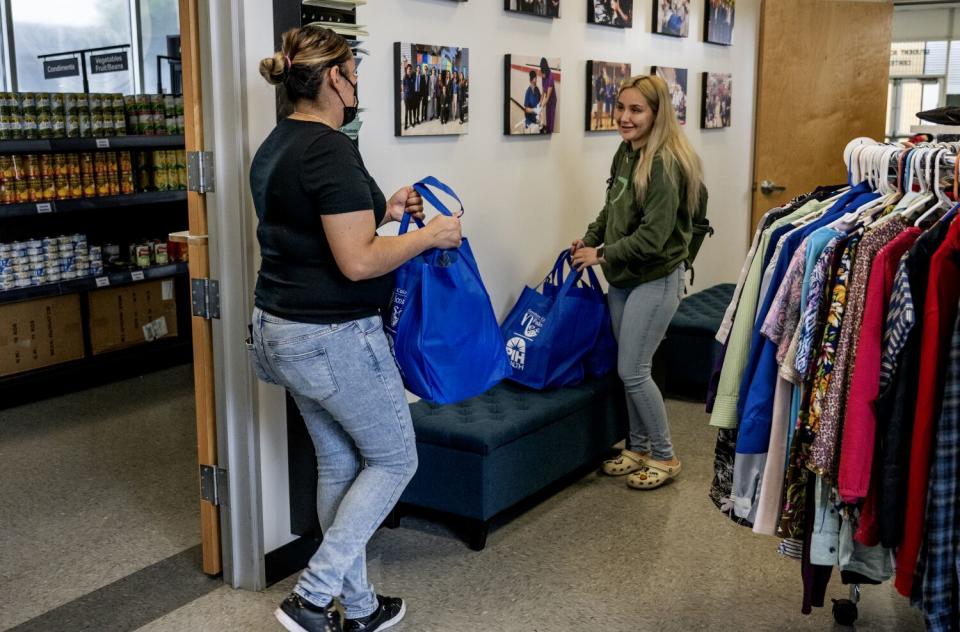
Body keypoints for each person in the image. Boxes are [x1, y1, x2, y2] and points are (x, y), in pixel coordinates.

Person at [252, 25, 463, 632]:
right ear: (334, 79)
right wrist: (429, 235)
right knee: (396, 460)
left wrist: (387, 210)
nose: (359, 84)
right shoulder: (330, 149)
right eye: (354, 72)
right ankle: (313, 597)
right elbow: (359, 260)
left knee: (341, 465)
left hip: (281, 330)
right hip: (332, 337)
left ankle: (362, 609)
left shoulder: (278, 143)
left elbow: (314, 227)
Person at [571, 74, 707, 491]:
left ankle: (665, 456)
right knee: (627, 367)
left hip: (655, 279)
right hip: (624, 278)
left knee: (634, 369)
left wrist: (602, 254)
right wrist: (592, 239)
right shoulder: (626, 152)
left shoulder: (665, 163)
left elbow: (653, 236)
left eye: (636, 110)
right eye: (621, 108)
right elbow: (612, 208)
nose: (625, 118)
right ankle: (640, 446)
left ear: (656, 113)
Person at [539, 57, 557, 134]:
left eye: (542, 71)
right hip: (547, 100)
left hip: (552, 101)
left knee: (551, 118)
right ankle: (548, 131)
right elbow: (543, 92)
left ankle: (550, 133)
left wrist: (541, 107)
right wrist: (540, 103)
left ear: (545, 69)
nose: (541, 73)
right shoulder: (544, 76)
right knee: (547, 117)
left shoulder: (550, 77)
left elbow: (548, 96)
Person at [402, 64, 415, 130]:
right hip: (406, 97)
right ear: (406, 70)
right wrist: (405, 93)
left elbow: (413, 87)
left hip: (411, 97)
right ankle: (406, 124)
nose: (409, 70)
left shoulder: (412, 77)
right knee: (407, 111)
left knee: (410, 111)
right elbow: (403, 87)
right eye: (408, 69)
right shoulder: (405, 77)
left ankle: (411, 122)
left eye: (410, 69)